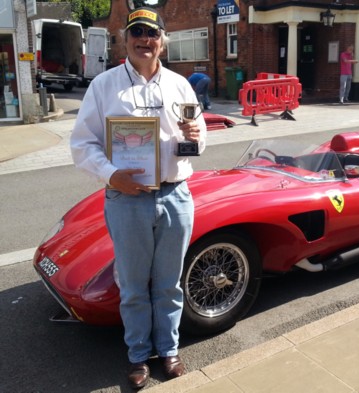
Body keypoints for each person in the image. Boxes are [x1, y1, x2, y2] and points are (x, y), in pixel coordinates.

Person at [70, 7, 207, 390]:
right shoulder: (104, 86)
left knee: (168, 283)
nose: (144, 39)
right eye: (137, 33)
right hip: (127, 199)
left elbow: (195, 144)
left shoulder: (180, 85)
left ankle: (169, 349)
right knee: (132, 285)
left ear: (162, 41)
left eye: (152, 33)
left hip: (176, 195)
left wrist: (195, 136)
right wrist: (112, 174)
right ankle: (137, 355)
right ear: (124, 39)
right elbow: (82, 144)